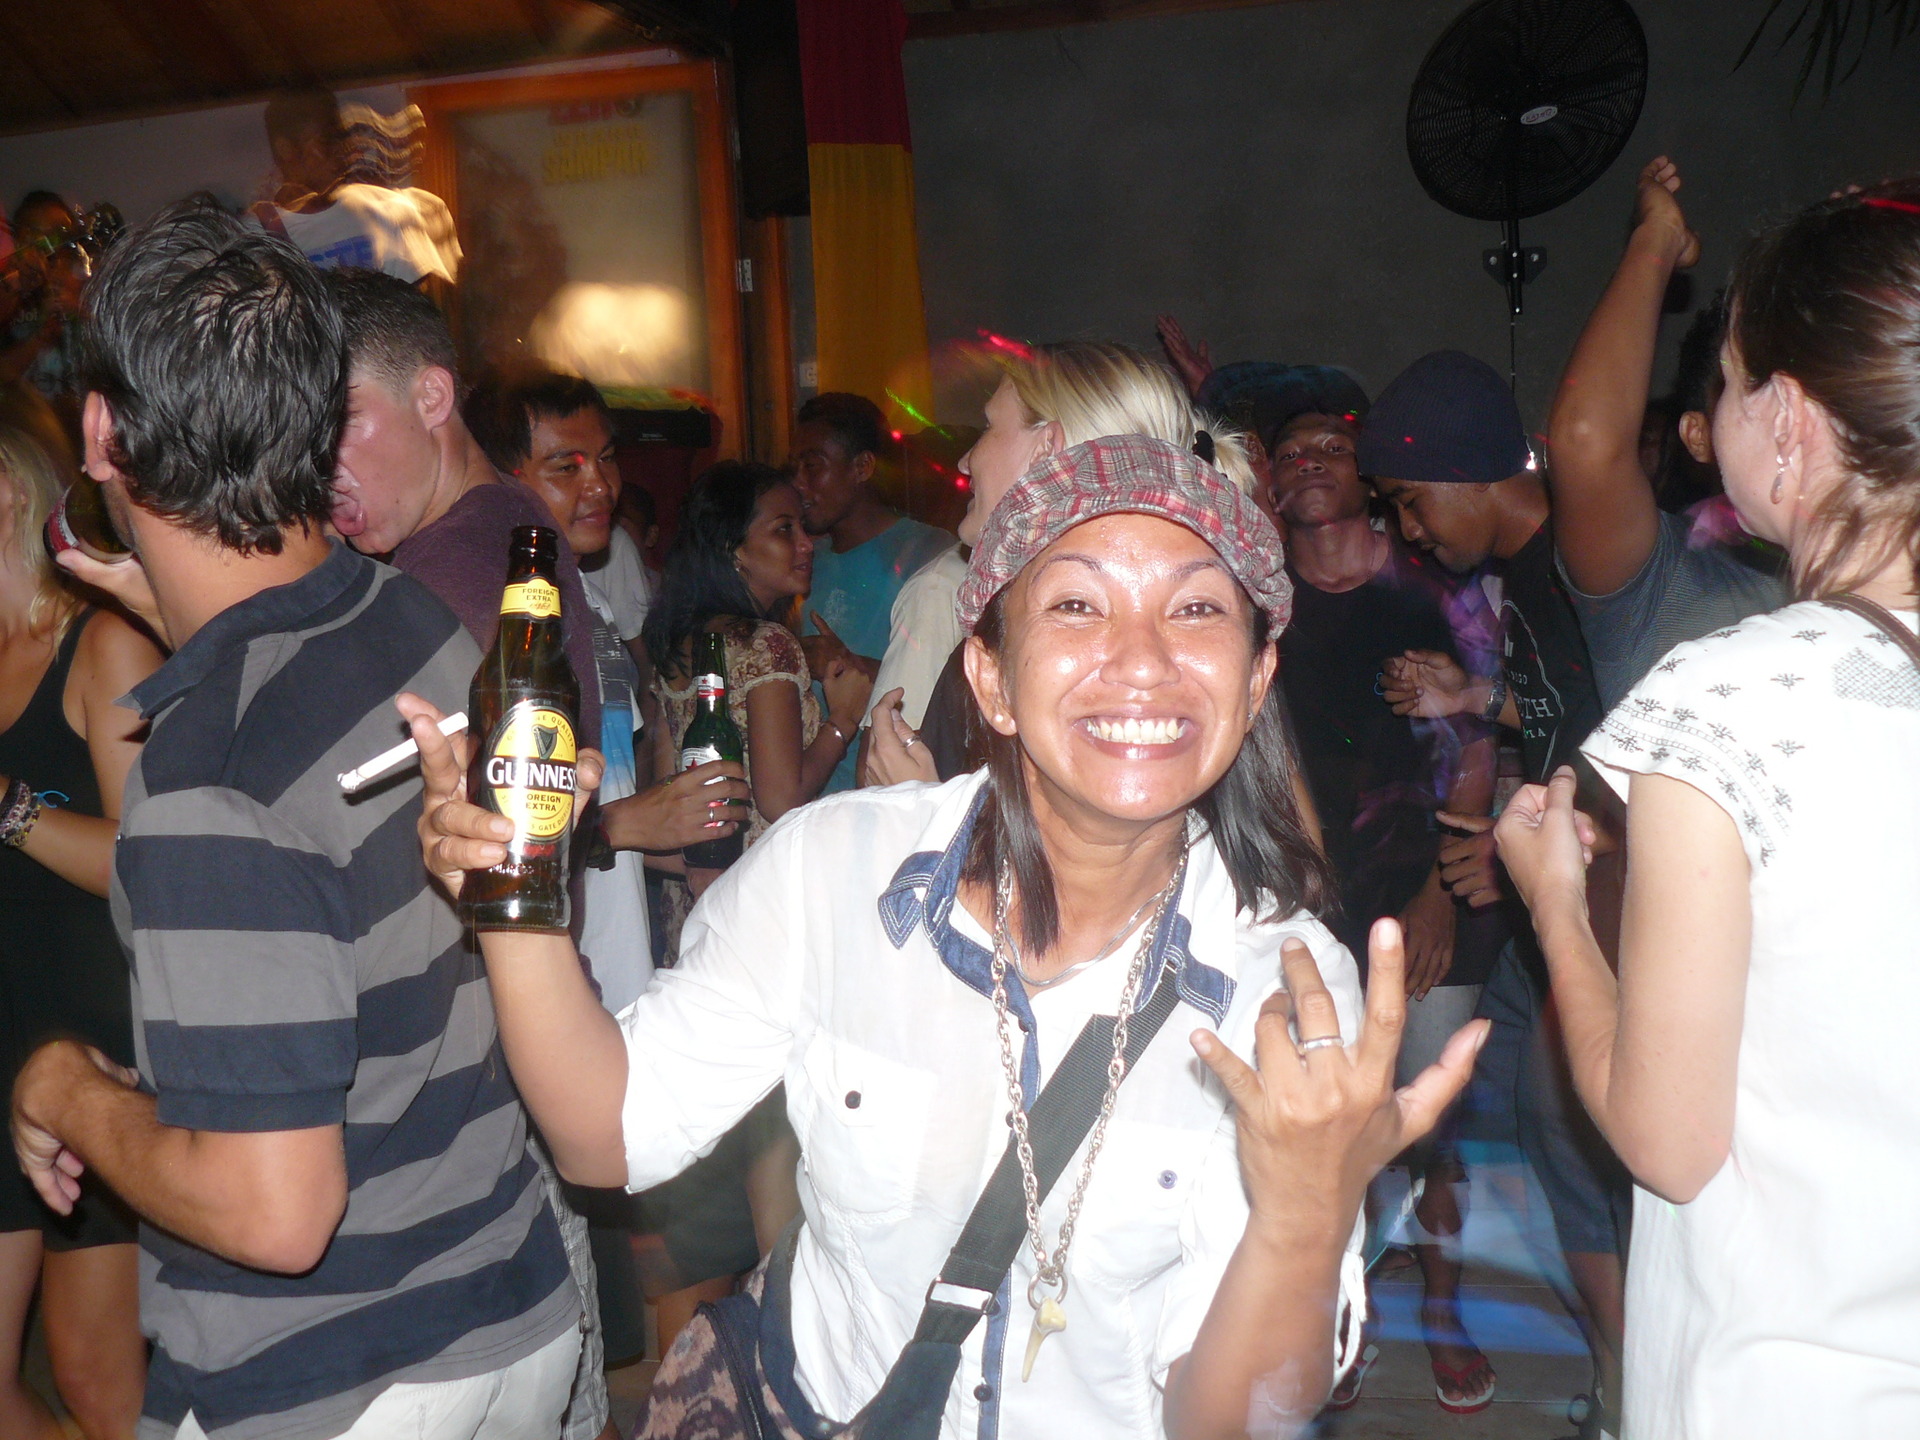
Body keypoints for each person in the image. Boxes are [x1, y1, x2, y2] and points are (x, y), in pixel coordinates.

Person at [405, 432, 1488, 1439]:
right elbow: (608, 1132)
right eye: (1077, 605)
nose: (1142, 658)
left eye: (1197, 609)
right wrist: (517, 897)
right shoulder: (833, 874)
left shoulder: (1282, 984)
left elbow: (1227, 1421)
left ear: (1254, 686)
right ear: (991, 680)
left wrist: (1303, 1212)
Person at [8, 197, 579, 1440]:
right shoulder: (403, 616)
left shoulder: (210, 777)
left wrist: (64, 1092)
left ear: (101, 434)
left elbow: (276, 1212)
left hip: (334, 1381)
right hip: (508, 1312)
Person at [1495, 180, 1920, 1439]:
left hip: (1790, 1385)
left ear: (1786, 418)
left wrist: (1557, 903)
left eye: (1728, 379)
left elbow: (1668, 1141)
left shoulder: (1730, 698)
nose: (1711, 416)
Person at [323, 271, 619, 1440]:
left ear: (432, 397)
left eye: (343, 423)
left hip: (473, 1074)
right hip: (515, 1042)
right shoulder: (506, 543)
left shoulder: (442, 576)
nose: (320, 466)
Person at [1362, 351, 1629, 1434]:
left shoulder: (1582, 566)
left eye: (1410, 500)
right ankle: (1623, 1373)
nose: (1410, 529)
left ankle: (1638, 1388)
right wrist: (1479, 700)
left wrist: (1551, 842)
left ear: (1464, 471)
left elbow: (1652, 757)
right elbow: (1570, 714)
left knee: (1584, 1147)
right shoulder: (1525, 579)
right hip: (1546, 906)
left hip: (1605, 915)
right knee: (1536, 1129)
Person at [1262, 382, 1503, 1414]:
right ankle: (1344, 1315)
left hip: (1425, 885)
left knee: (1431, 1115)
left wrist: (1441, 884)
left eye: (1331, 445)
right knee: (1327, 1122)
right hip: (1301, 896)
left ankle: (1444, 1309)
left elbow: (1480, 736)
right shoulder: (1257, 598)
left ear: (1367, 475)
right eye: (1292, 451)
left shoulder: (1432, 587)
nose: (1310, 461)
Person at [862, 342, 1257, 787]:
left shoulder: (1003, 644)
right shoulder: (1230, 648)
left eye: (988, 427)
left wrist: (919, 804)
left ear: (1046, 449)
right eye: (1074, 607)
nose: (965, 460)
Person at [0, 390, 160, 1439]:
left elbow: (152, 864)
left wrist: (9, 810)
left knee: (97, 1379)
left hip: (89, 1042)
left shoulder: (102, 644)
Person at [1546, 156, 1787, 711]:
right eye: (1754, 387)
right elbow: (1585, 439)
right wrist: (1658, 238)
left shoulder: (1883, 566)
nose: (1786, 415)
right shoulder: (1664, 580)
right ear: (1699, 436)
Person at [787, 392, 952, 791]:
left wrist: (846, 664)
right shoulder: (802, 558)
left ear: (862, 467)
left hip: (883, 792)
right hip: (804, 794)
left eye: (813, 466)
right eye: (794, 468)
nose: (799, 484)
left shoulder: (932, 556)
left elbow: (952, 689)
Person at [252, 88, 459, 284]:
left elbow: (415, 305)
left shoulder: (386, 210)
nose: (343, 149)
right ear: (286, 149)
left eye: (341, 137)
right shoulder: (254, 234)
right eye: (326, 141)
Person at [0, 193, 86, 405]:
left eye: (63, 238)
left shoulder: (84, 285)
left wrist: (79, 309)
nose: (53, 250)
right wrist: (42, 333)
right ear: (19, 239)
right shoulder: (9, 293)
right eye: (41, 239)